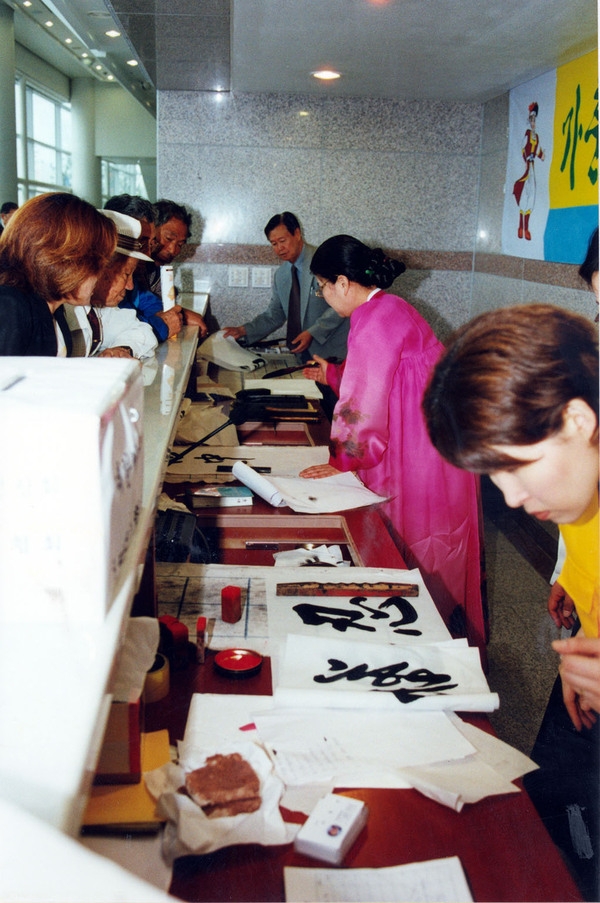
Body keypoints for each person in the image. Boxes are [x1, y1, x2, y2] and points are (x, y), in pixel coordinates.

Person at [421, 303, 599, 900]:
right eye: (493, 478)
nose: (513, 498)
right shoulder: (582, 483)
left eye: (516, 468)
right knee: (553, 816)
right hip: (584, 682)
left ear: (576, 419)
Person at [299, 234, 486, 650]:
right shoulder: (386, 308)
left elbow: (365, 398)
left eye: (322, 286)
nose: (323, 295)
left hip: (418, 450)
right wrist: (331, 374)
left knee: (418, 541)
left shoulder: (375, 318)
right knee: (437, 538)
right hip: (430, 439)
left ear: (343, 283)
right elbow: (384, 376)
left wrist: (343, 458)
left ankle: (421, 641)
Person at [0, 192, 116, 356]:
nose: (102, 272)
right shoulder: (10, 307)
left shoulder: (53, 309)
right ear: (67, 258)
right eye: (99, 261)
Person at [223, 212, 349, 361]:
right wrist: (243, 330)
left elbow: (343, 304)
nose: (279, 248)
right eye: (274, 244)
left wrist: (313, 332)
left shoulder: (325, 260)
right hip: (302, 356)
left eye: (283, 240)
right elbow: (275, 314)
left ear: (297, 233)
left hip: (335, 354)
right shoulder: (281, 275)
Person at [64, 209, 158, 359]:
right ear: (101, 269)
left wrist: (122, 349)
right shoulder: (60, 308)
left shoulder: (98, 309)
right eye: (126, 274)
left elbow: (141, 330)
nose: (130, 286)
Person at [513, 101, 545, 241]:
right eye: (531, 120)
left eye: (534, 120)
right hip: (526, 167)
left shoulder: (536, 137)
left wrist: (542, 155)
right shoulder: (527, 134)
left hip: (532, 168)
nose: (533, 123)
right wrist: (527, 157)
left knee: (531, 196)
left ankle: (527, 227)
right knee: (524, 196)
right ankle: (521, 227)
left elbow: (539, 152)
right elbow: (522, 149)